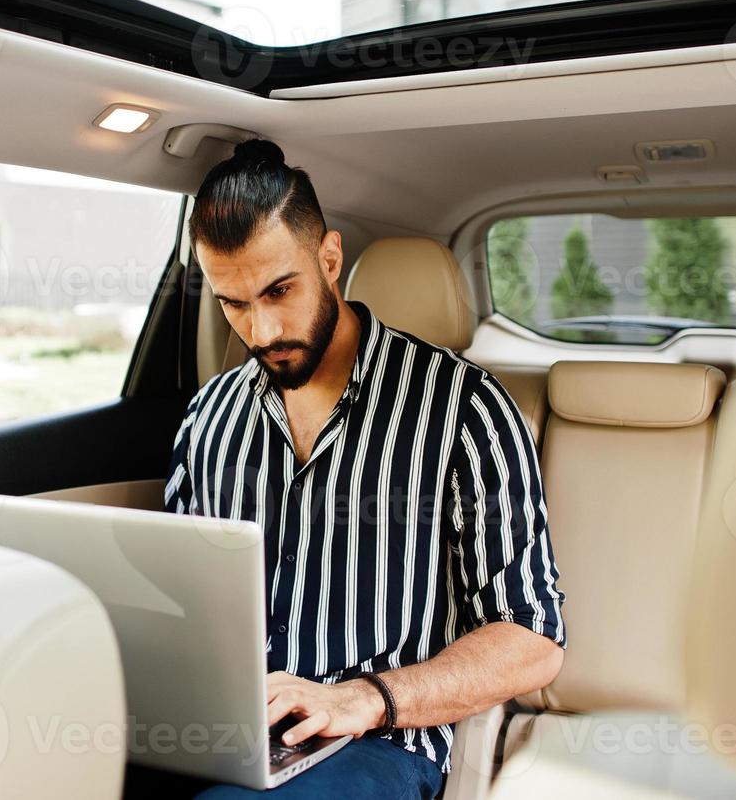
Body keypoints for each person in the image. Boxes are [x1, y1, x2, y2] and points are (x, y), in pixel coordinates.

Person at [164, 139, 566, 798]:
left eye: (279, 291)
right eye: (233, 303)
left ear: (329, 259)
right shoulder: (207, 416)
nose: (260, 331)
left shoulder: (462, 408)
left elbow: (533, 637)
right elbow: (184, 601)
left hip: (375, 744)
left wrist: (361, 699)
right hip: (224, 733)